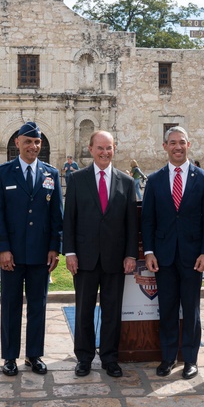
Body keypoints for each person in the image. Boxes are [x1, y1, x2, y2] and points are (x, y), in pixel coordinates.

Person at [142, 126, 204, 380]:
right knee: (167, 309)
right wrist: (150, 252)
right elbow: (148, 220)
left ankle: (191, 359)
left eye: (181, 142)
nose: (177, 147)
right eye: (172, 142)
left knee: (191, 308)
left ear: (188, 145)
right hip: (163, 256)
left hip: (192, 256)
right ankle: (168, 357)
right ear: (165, 146)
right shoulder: (154, 180)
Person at [0, 122, 63, 376]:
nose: (33, 147)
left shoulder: (50, 174)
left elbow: (56, 215)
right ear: (17, 143)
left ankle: (34, 354)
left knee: (38, 304)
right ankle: (10, 356)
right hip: (12, 253)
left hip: (41, 252)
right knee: (10, 304)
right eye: (28, 142)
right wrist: (2, 249)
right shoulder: (3, 173)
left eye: (37, 142)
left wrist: (55, 246)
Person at [64, 131, 138, 378]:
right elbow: (69, 219)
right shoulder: (77, 179)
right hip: (84, 258)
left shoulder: (127, 183)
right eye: (100, 148)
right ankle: (84, 358)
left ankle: (109, 357)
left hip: (115, 259)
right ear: (90, 148)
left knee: (112, 311)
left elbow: (131, 224)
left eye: (109, 148)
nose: (105, 152)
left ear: (114, 149)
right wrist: (70, 252)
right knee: (84, 310)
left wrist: (130, 255)